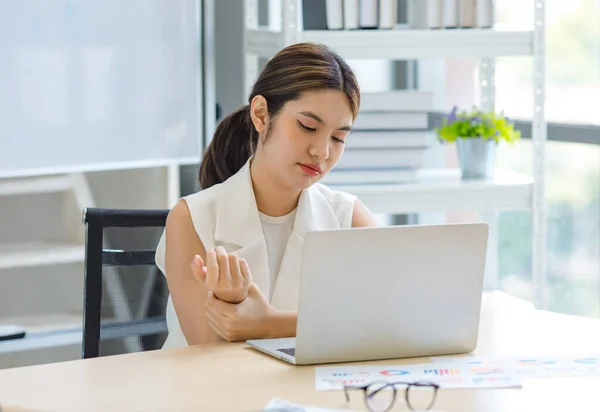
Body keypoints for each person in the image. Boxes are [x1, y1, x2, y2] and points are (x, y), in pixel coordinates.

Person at [155, 42, 378, 349]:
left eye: (338, 138)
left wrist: (269, 324)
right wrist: (229, 300)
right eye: (308, 126)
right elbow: (206, 355)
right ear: (261, 115)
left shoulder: (348, 216)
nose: (322, 152)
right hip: (210, 395)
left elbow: (392, 319)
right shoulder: (192, 218)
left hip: (307, 394)